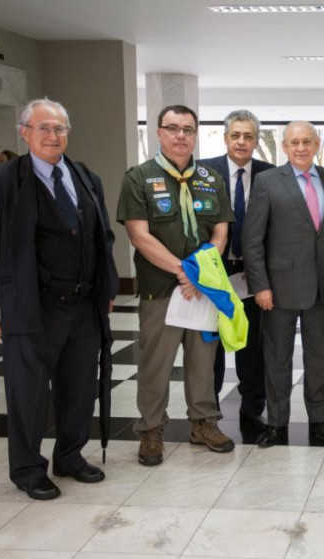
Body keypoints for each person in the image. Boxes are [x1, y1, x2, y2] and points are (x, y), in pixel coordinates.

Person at [0, 98, 118, 500]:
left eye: (60, 129)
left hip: (84, 305)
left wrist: (107, 291)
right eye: (44, 128)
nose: (54, 136)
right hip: (34, 306)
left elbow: (102, 238)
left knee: (79, 386)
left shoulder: (86, 177)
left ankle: (70, 456)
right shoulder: (4, 180)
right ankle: (28, 469)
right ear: (25, 132)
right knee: (28, 392)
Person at [117, 104, 236, 466]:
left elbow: (220, 232)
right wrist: (184, 272)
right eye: (173, 128)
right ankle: (151, 429)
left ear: (196, 134)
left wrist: (199, 274)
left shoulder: (211, 178)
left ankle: (203, 423)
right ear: (159, 132)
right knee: (157, 364)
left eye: (188, 128)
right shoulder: (139, 178)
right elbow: (139, 236)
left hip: (202, 290)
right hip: (161, 288)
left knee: (203, 361)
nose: (180, 135)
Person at [242, 121, 324, 448]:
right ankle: (276, 423)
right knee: (277, 359)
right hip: (278, 289)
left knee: (318, 359)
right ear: (284, 147)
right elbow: (252, 239)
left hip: (321, 288)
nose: (300, 148)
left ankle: (319, 422)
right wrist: (260, 286)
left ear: (316, 144)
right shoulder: (267, 181)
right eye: (294, 142)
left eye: (306, 142)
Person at [199, 110, 275, 436]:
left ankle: (252, 410)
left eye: (248, 136)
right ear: (226, 137)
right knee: (211, 346)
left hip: (253, 275)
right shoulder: (203, 172)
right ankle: (208, 412)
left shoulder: (270, 175)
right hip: (213, 274)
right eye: (236, 135)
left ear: (256, 141)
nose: (241, 141)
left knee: (253, 349)